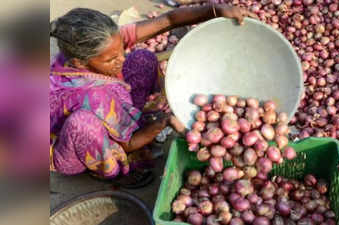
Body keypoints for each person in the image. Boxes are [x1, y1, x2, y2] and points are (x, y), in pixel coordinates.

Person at [50, 4, 254, 188]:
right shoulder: (86, 94)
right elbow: (127, 144)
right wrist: (162, 123)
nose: (121, 59)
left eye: (121, 49)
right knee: (83, 124)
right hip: (76, 148)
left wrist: (214, 10)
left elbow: (169, 20)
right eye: (112, 59)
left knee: (142, 58)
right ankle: (110, 171)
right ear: (79, 63)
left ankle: (130, 121)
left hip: (105, 105)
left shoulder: (104, 46)